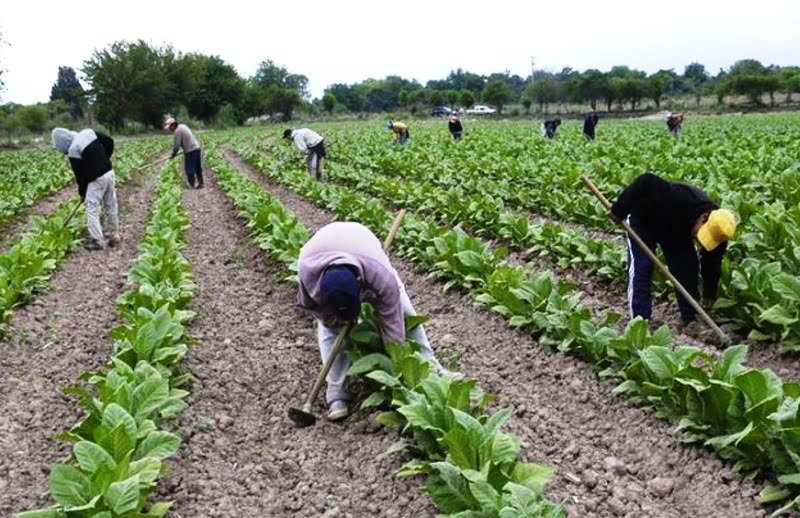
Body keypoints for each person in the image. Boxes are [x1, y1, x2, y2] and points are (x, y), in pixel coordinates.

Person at [297, 222, 443, 421]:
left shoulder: (379, 274)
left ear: (360, 285)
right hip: (322, 250)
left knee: (407, 313)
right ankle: (337, 395)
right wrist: (332, 319)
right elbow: (311, 307)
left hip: (362, 244)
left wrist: (397, 365)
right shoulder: (308, 272)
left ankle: (433, 370)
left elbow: (392, 321)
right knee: (329, 332)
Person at [609, 172, 736, 335]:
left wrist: (709, 295)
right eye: (701, 233)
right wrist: (619, 210)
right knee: (642, 268)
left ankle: (690, 319)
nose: (699, 239)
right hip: (644, 220)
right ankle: (640, 323)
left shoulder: (720, 233)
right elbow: (646, 180)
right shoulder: (676, 199)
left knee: (687, 268)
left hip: (677, 230)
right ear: (703, 218)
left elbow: (712, 265)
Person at [51, 128, 119, 251]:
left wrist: (83, 194)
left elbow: (80, 176)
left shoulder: (73, 150)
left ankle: (98, 241)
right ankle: (114, 235)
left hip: (96, 179)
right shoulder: (88, 132)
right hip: (109, 172)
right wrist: (105, 159)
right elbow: (109, 141)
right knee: (111, 204)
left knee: (91, 209)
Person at [164, 117, 203, 189]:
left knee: (189, 169)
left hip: (190, 150)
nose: (170, 130)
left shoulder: (177, 131)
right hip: (197, 147)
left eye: (169, 128)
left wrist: (173, 154)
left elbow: (176, 146)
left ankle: (192, 185)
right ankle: (201, 183)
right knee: (197, 167)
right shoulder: (183, 126)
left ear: (172, 125)